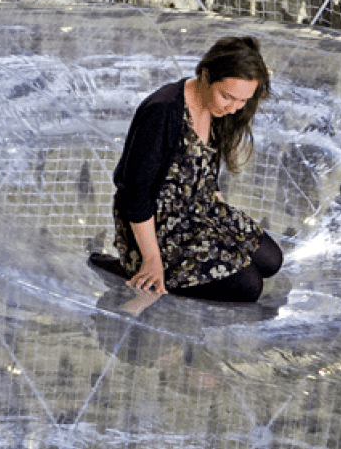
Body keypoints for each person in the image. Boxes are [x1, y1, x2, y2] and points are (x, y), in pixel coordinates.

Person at [91, 36, 282, 303]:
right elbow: (135, 191)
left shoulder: (224, 110)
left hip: (200, 210)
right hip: (158, 224)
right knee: (248, 285)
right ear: (205, 75)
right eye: (227, 96)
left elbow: (203, 172)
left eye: (243, 100)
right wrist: (151, 260)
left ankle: (194, 260)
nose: (233, 107)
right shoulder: (163, 110)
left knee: (271, 260)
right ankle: (134, 266)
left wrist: (224, 224)